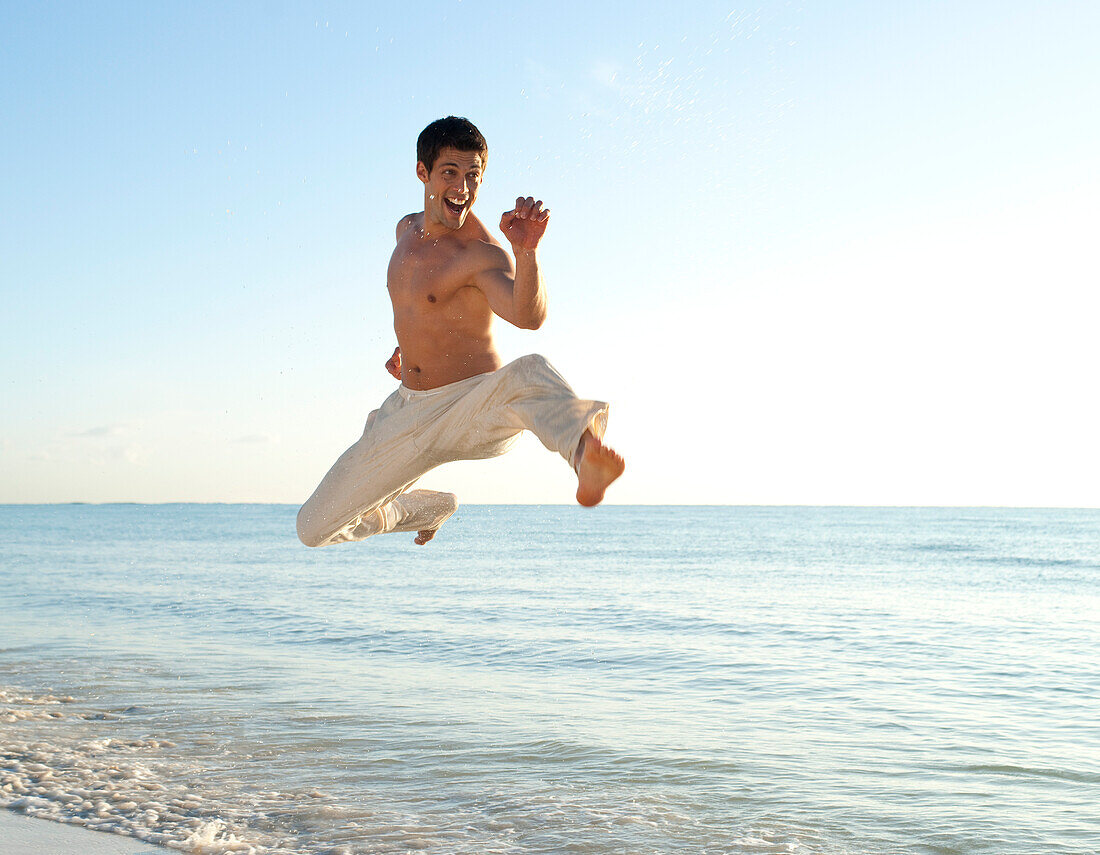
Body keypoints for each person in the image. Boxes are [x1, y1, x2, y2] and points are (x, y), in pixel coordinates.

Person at [297, 117, 624, 548]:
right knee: (313, 528)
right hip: (408, 409)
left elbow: (528, 317)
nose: (463, 188)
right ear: (423, 173)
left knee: (529, 371)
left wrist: (525, 252)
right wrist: (411, 349)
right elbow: (423, 304)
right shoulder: (404, 231)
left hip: (473, 406)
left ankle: (584, 455)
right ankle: (426, 509)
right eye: (450, 173)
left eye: (473, 176)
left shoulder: (480, 252)